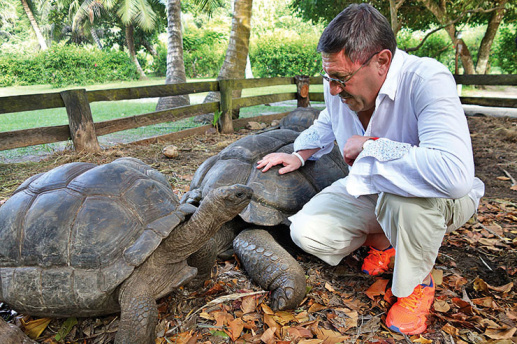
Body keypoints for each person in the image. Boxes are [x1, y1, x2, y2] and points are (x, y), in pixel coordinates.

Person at [256, 3, 484, 335]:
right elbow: (327, 120)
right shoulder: (339, 87)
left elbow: (454, 175)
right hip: (374, 188)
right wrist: (299, 154)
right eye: (329, 78)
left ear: (382, 61)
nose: (333, 89)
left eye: (341, 79)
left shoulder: (426, 80)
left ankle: (416, 286)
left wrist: (372, 146)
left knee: (400, 203)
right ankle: (386, 243)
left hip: (440, 197)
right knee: (306, 231)